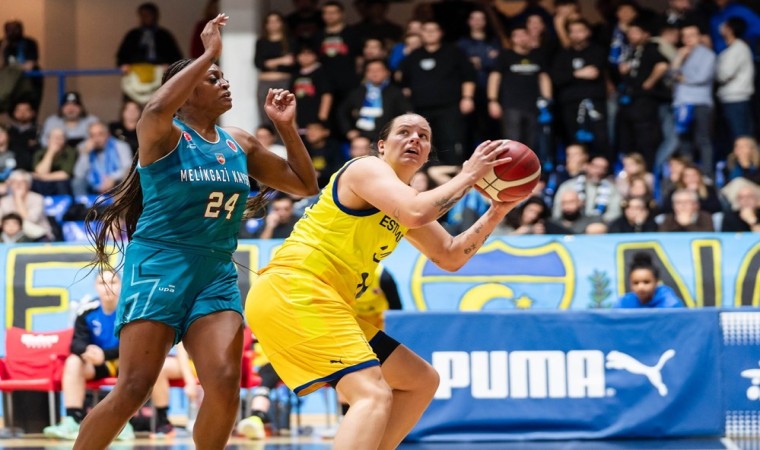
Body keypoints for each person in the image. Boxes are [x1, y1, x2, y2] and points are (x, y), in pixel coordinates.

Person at [72, 14, 318, 450]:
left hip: (215, 271)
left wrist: (286, 128)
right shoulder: (163, 134)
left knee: (224, 383)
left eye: (222, 76)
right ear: (185, 92)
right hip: (160, 264)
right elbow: (154, 108)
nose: (225, 83)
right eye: (212, 78)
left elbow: (304, 185)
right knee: (134, 388)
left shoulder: (239, 142)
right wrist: (208, 53)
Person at [246, 113, 527, 449]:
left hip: (323, 302)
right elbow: (416, 211)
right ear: (381, 146)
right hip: (294, 290)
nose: (415, 139)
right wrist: (468, 175)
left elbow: (450, 255)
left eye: (423, 136)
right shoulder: (366, 169)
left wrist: (497, 211)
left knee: (419, 381)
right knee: (372, 393)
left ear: (427, 154)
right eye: (404, 132)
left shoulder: (404, 201)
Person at [43, 271, 135, 441]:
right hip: (98, 364)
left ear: (121, 285)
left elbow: (135, 344)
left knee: (138, 361)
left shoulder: (131, 311)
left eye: (113, 282)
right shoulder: (87, 311)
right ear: (95, 287)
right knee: (73, 361)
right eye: (102, 283)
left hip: (125, 363)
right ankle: (72, 420)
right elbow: (76, 343)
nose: (108, 287)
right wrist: (87, 351)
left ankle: (125, 423)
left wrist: (104, 354)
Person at [614, 252, 684, 308]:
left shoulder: (671, 303)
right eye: (635, 283)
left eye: (646, 282)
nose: (641, 287)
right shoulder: (623, 304)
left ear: (657, 282)